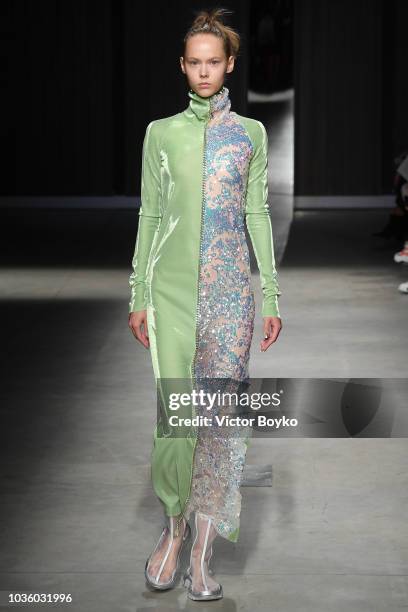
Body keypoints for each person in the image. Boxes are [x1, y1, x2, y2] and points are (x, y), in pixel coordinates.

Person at [128, 7, 282, 602]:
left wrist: (269, 292)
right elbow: (148, 214)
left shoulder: (250, 135)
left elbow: (257, 214)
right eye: (193, 62)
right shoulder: (159, 134)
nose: (203, 71)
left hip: (228, 296)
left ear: (230, 65)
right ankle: (172, 529)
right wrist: (138, 292)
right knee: (177, 420)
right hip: (169, 292)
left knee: (218, 423)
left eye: (212, 62)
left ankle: (201, 552)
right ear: (182, 66)